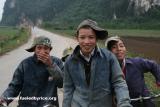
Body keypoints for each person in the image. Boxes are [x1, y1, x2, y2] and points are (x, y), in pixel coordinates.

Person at [62, 19, 132, 107]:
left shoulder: (109, 57)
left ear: (96, 39)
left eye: (91, 37)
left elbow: (119, 82)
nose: (86, 42)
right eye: (82, 37)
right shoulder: (69, 61)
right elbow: (68, 88)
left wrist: (124, 103)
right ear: (77, 38)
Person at [0, 36, 63, 107]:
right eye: (39, 48)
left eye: (46, 48)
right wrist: (4, 98)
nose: (42, 51)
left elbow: (62, 83)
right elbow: (15, 86)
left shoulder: (57, 62)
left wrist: (50, 65)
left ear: (49, 50)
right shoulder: (25, 64)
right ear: (34, 49)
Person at [105, 36, 160, 107]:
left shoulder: (136, 63)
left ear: (125, 49)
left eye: (121, 46)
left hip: (144, 102)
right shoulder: (106, 70)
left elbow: (153, 65)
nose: (119, 49)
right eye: (114, 47)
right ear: (109, 52)